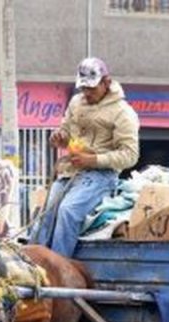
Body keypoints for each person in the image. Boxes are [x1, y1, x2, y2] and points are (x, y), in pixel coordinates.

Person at [31, 57, 140, 257]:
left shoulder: (123, 113)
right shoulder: (75, 102)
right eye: (84, 89)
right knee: (45, 217)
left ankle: (58, 266)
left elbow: (130, 155)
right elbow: (66, 131)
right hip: (69, 173)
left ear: (106, 83)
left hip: (100, 176)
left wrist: (94, 160)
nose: (87, 93)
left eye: (92, 88)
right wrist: (59, 137)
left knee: (68, 211)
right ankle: (32, 263)